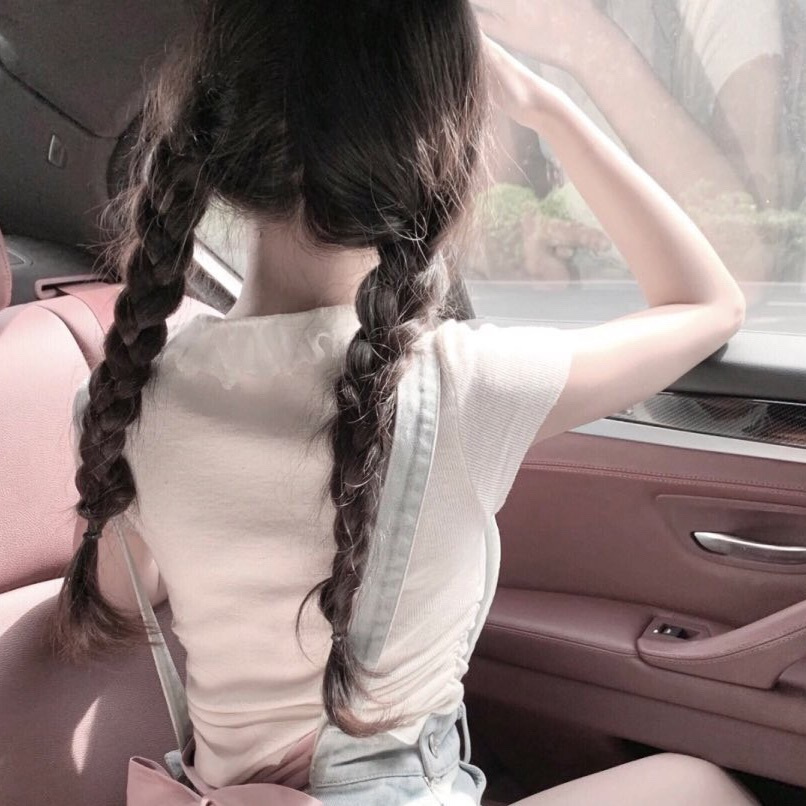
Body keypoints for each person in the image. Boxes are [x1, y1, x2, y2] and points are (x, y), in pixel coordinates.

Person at [50, 2, 746, 804]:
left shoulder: (131, 400)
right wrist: (547, 106)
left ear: (210, 135)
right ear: (439, 151)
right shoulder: (464, 385)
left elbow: (122, 595)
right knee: (696, 782)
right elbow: (709, 304)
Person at [477, 0, 784, 286]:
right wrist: (515, 243)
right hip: (575, 312)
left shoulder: (731, 10)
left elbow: (744, 267)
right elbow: (490, 206)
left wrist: (583, 42)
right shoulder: (504, 13)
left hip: (684, 316)